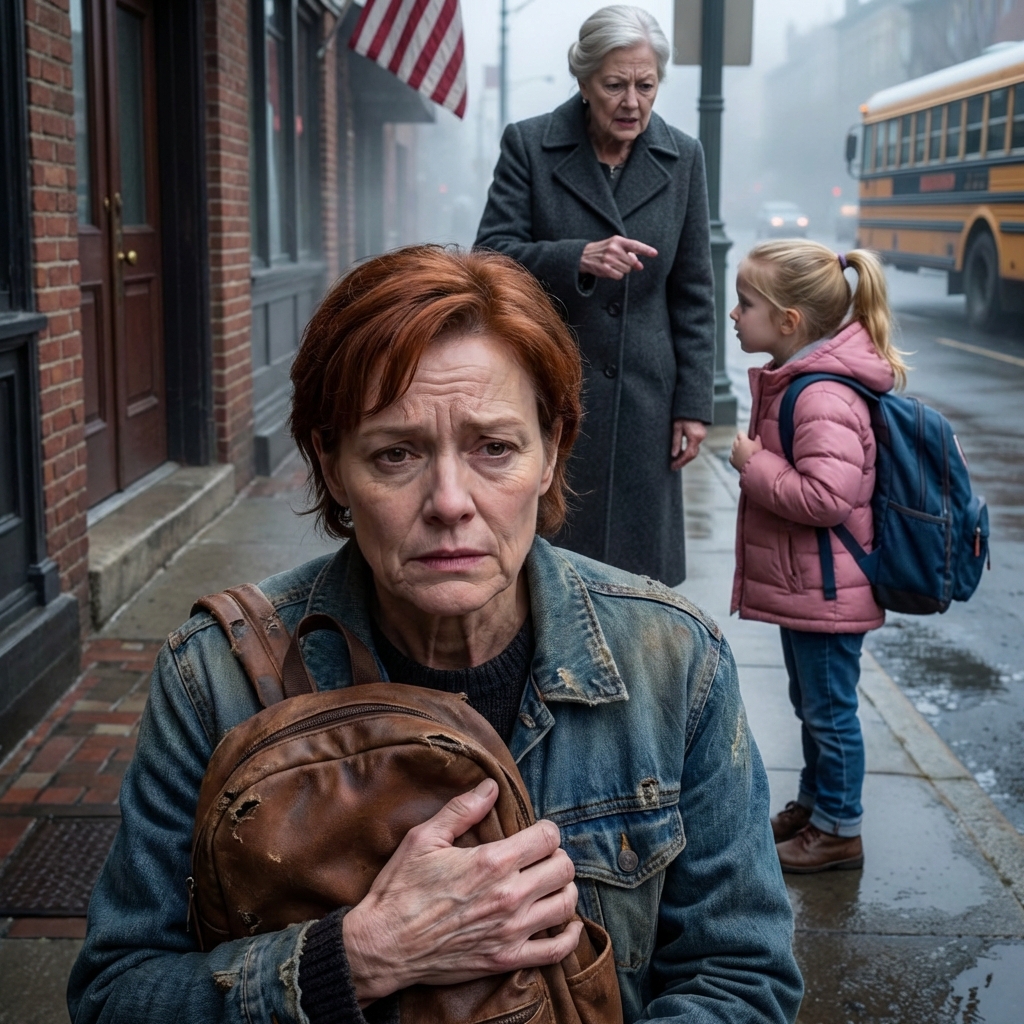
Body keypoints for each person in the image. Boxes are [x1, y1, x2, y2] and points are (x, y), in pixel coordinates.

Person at [68, 246, 801, 1024]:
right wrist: (351, 958)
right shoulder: (214, 680)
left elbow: (739, 978)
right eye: (396, 453)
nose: (450, 501)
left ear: (551, 450)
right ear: (333, 464)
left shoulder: (670, 661)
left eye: (495, 447)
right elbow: (117, 994)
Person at [475, 5, 714, 586]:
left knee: (636, 580)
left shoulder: (683, 159)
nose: (631, 101)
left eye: (645, 84)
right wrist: (574, 256)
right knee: (549, 568)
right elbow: (488, 258)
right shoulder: (530, 146)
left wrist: (693, 406)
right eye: (614, 85)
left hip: (645, 399)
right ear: (583, 82)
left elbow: (694, 292)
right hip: (551, 386)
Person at [728, 240, 908, 873]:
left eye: (744, 303)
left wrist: (755, 466)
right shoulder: (799, 383)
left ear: (788, 321)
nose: (733, 315)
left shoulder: (821, 395)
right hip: (812, 587)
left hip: (829, 590)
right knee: (814, 707)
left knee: (831, 714)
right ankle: (815, 805)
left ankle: (839, 830)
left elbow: (826, 497)